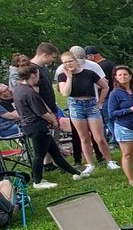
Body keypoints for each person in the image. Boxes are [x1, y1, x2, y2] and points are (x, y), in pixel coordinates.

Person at [8, 53, 81, 188]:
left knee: (54, 152)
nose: (39, 78)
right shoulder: (29, 93)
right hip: (36, 126)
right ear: (34, 75)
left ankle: (75, 173)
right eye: (38, 75)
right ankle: (38, 181)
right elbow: (41, 112)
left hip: (30, 126)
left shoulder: (18, 89)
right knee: (39, 155)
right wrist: (53, 120)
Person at [56, 51, 111, 175]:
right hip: (76, 106)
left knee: (99, 137)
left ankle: (109, 161)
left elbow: (105, 86)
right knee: (84, 137)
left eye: (70, 61)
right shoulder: (62, 76)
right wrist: (69, 77)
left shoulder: (89, 73)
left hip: (91, 105)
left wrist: (100, 102)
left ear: (76, 60)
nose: (68, 64)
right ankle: (89, 164)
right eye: (65, 62)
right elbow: (65, 93)